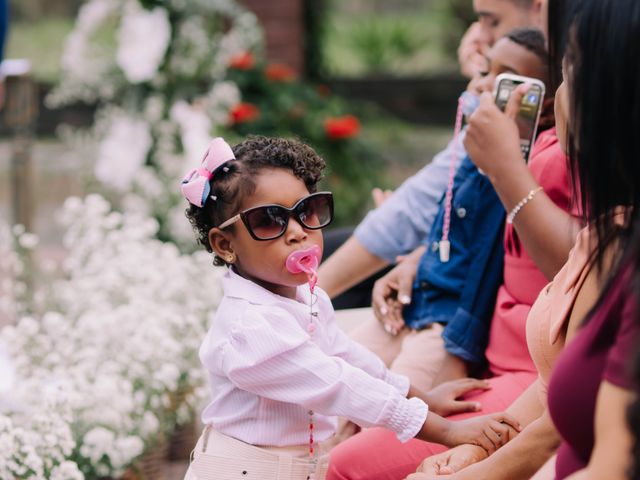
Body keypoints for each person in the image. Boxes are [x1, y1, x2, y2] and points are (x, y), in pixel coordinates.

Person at [180, 136, 520, 480]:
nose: (298, 232)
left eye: (306, 211)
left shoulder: (307, 297)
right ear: (225, 245)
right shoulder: (249, 328)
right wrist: (445, 431)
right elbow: (339, 384)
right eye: (269, 220)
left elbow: (348, 357)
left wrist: (422, 397)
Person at [347, 28, 553, 396]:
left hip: (447, 329)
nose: (483, 84)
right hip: (415, 306)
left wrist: (461, 345)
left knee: (394, 407)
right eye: (486, 71)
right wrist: (411, 262)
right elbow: (450, 229)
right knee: (343, 375)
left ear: (543, 102)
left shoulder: (518, 173)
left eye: (504, 81)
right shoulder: (471, 153)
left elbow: (488, 260)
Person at [318, 0, 544, 302]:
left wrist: (308, 298)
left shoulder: (537, 110)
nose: (479, 36)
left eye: (492, 21)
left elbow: (423, 205)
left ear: (540, 10)